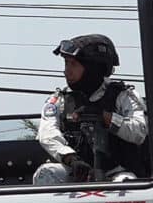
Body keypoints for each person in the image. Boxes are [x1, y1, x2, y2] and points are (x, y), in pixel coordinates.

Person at [33, 34, 148, 185]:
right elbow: (47, 134)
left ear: (93, 67)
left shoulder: (124, 96)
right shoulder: (60, 99)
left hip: (117, 172)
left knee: (126, 184)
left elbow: (140, 132)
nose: (67, 71)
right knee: (45, 174)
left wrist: (106, 117)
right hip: (78, 171)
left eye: (73, 64)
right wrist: (71, 159)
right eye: (66, 64)